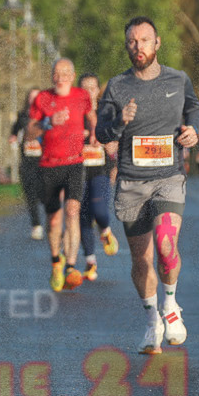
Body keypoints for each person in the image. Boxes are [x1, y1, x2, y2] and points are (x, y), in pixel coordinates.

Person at [96, 16, 199, 354]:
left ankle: (170, 306)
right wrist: (119, 121)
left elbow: (193, 109)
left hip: (168, 177)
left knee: (167, 247)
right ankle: (152, 321)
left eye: (144, 40)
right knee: (141, 259)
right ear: (127, 46)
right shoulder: (116, 87)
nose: (138, 47)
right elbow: (101, 133)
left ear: (157, 44)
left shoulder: (178, 79)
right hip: (131, 183)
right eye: (132, 42)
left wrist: (192, 130)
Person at [26, 58, 93, 292]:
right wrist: (47, 122)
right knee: (54, 220)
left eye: (66, 72)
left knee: (73, 211)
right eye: (57, 72)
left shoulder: (82, 96)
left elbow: (91, 116)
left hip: (74, 162)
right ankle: (56, 261)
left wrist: (95, 133)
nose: (61, 76)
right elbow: (28, 134)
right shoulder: (42, 99)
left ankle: (71, 267)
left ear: (72, 75)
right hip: (49, 164)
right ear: (52, 76)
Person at [77, 73, 119, 281]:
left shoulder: (106, 111)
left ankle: (105, 229)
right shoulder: (74, 113)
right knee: (83, 215)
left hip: (101, 168)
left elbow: (116, 139)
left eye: (92, 88)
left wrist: (109, 145)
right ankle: (90, 262)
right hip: (78, 169)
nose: (88, 92)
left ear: (97, 90)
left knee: (99, 208)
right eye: (84, 88)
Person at [10, 88, 45, 240]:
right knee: (30, 194)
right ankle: (36, 225)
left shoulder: (47, 116)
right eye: (31, 98)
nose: (34, 100)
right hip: (27, 160)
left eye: (37, 97)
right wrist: (14, 139)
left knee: (45, 193)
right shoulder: (22, 116)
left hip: (45, 161)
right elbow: (14, 133)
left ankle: (52, 221)